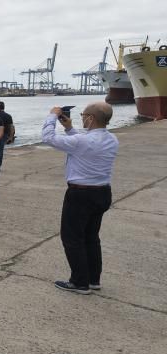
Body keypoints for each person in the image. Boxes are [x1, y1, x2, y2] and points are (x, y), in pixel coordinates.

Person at [42, 103, 118, 295]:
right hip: (102, 192)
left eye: (84, 114)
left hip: (80, 194)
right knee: (91, 237)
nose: (82, 117)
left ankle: (79, 282)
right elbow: (81, 143)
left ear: (91, 118)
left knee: (72, 238)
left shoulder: (82, 141)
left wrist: (52, 116)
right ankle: (93, 279)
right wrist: (69, 128)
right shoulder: (112, 139)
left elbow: (48, 137)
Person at [0, 101, 15, 172]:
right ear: (3, 107)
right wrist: (11, 137)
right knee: (0, 151)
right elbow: (11, 127)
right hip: (4, 135)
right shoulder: (8, 116)